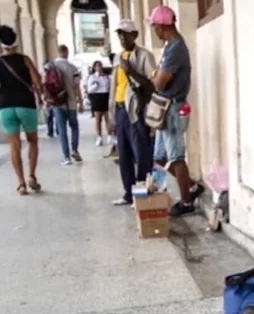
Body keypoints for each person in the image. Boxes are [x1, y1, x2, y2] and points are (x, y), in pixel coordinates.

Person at [124, 6, 204, 216]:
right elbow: (158, 78)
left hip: (173, 107)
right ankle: (192, 187)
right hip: (165, 108)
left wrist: (154, 76)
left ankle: (186, 202)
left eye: (154, 26)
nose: (153, 30)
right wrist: (156, 76)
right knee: (160, 158)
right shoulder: (170, 47)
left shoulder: (176, 48)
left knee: (176, 156)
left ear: (161, 26)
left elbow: (159, 82)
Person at [107, 19, 157, 206]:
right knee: (124, 155)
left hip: (136, 110)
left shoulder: (144, 56)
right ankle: (129, 193)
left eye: (126, 33)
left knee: (141, 154)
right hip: (120, 109)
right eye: (119, 34)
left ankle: (142, 194)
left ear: (135, 35)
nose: (122, 37)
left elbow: (152, 85)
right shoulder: (117, 58)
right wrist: (111, 115)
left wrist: (131, 71)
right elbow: (114, 87)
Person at [0, 25, 42, 196]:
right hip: (26, 104)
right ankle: (32, 176)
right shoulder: (25, 60)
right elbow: (37, 80)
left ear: (1, 44)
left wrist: (5, 92)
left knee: (14, 145)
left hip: (6, 106)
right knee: (32, 141)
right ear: (16, 43)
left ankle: (21, 184)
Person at [51, 45, 84, 166]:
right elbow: (76, 86)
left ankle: (66, 157)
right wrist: (80, 102)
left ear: (58, 52)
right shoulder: (73, 68)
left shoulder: (51, 66)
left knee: (62, 130)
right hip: (71, 102)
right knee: (74, 126)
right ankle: (74, 150)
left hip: (58, 103)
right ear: (67, 53)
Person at [86, 62, 112, 146]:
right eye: (98, 66)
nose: (100, 67)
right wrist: (95, 86)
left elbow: (109, 87)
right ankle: (99, 137)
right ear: (94, 68)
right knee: (98, 119)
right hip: (97, 97)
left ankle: (110, 136)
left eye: (101, 65)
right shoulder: (92, 77)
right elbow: (89, 90)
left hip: (105, 96)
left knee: (108, 118)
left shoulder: (106, 76)